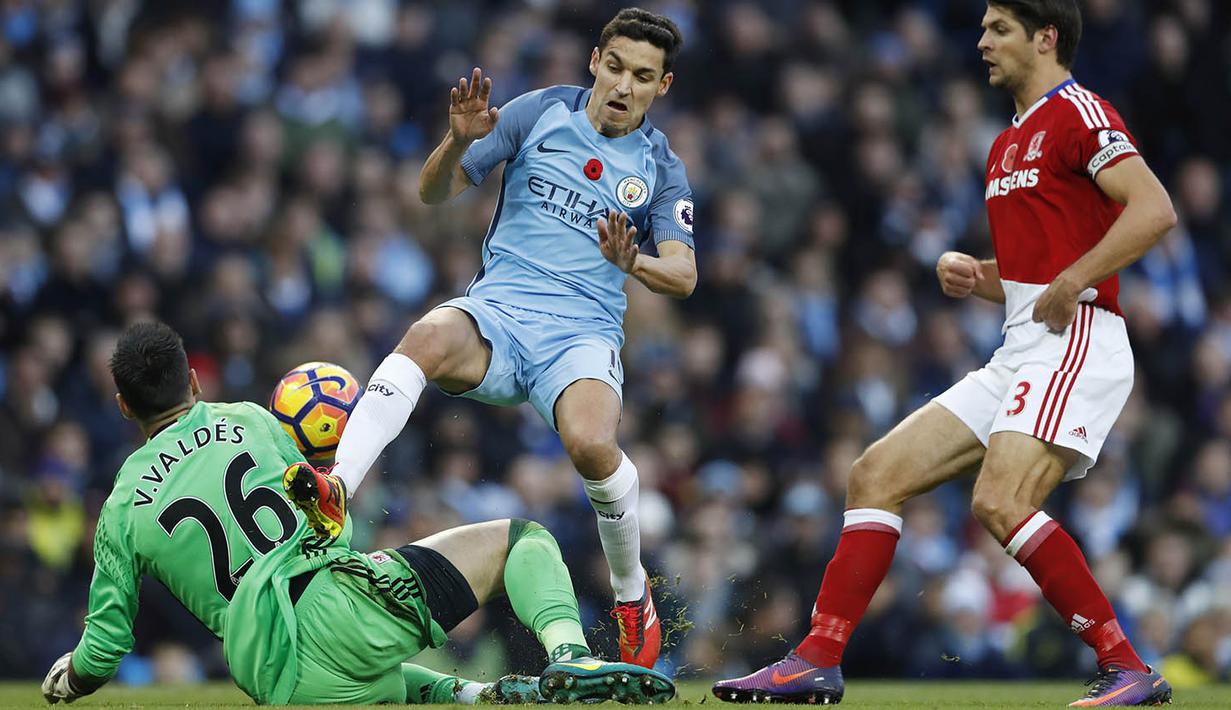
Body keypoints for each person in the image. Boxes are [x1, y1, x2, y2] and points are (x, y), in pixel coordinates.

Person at [713, 1, 1177, 706]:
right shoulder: (1004, 144)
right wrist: (981, 277)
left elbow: (1153, 210)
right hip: (1022, 343)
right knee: (875, 474)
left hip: (1078, 337)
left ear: (1045, 37)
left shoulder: (1079, 111)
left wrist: (1076, 279)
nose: (982, 41)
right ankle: (816, 659)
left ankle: (1127, 666)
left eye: (998, 29)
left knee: (999, 499)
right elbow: (1033, 279)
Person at [283, 7, 695, 669]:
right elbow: (430, 192)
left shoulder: (660, 167)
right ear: (594, 61)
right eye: (614, 67)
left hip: (580, 335)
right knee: (426, 335)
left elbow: (683, 274)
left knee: (592, 445)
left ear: (661, 86)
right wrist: (455, 141)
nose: (622, 85)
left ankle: (629, 595)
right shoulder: (538, 112)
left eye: (641, 76)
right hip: (499, 314)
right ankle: (337, 489)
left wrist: (634, 264)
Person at [40, 321, 675, 706]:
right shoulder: (252, 423)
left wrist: (70, 679)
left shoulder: (120, 508)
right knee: (523, 539)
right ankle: (568, 654)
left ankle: (489, 694)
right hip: (338, 607)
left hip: (274, 676)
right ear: (195, 383)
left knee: (377, 676)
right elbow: (329, 513)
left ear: (123, 406)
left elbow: (104, 648)